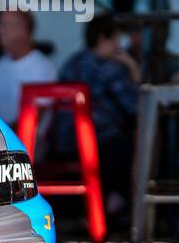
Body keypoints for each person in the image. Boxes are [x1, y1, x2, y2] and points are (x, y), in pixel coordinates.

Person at [59, 14, 141, 212]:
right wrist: (133, 69)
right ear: (104, 39)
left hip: (65, 141)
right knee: (138, 140)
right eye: (116, 39)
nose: (119, 46)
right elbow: (137, 107)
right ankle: (117, 204)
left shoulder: (72, 63)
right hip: (102, 143)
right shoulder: (110, 68)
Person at [0, 8, 57, 124]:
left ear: (22, 30)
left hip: (19, 141)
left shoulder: (42, 68)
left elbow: (35, 118)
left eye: (3, 24)